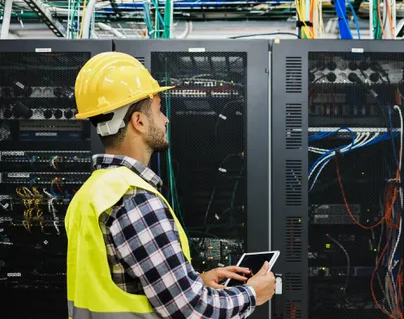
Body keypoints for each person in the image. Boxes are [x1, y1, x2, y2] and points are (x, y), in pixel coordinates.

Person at [65, 52, 275, 319]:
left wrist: (195, 281)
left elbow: (119, 283)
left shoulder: (91, 193)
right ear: (138, 121)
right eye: (158, 109)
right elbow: (192, 311)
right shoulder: (134, 198)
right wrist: (254, 294)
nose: (165, 119)